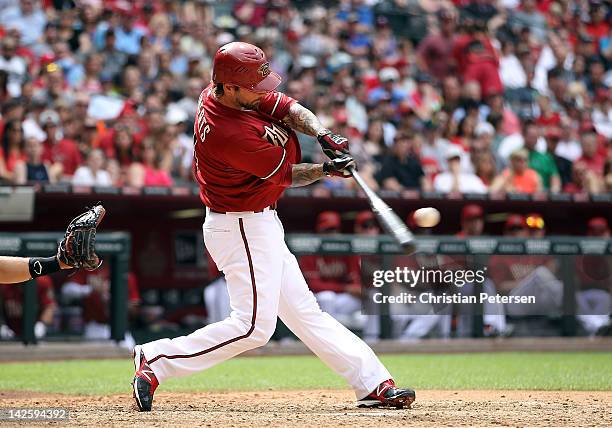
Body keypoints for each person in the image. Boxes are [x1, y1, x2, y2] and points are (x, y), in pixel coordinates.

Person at [132, 42, 415, 412]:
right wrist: (328, 170)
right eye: (254, 85)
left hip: (259, 220)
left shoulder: (225, 92)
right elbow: (289, 176)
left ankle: (372, 383)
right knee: (252, 327)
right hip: (239, 226)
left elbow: (286, 107)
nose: (263, 91)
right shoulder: (226, 132)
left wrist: (323, 135)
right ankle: (155, 360)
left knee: (304, 312)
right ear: (230, 87)